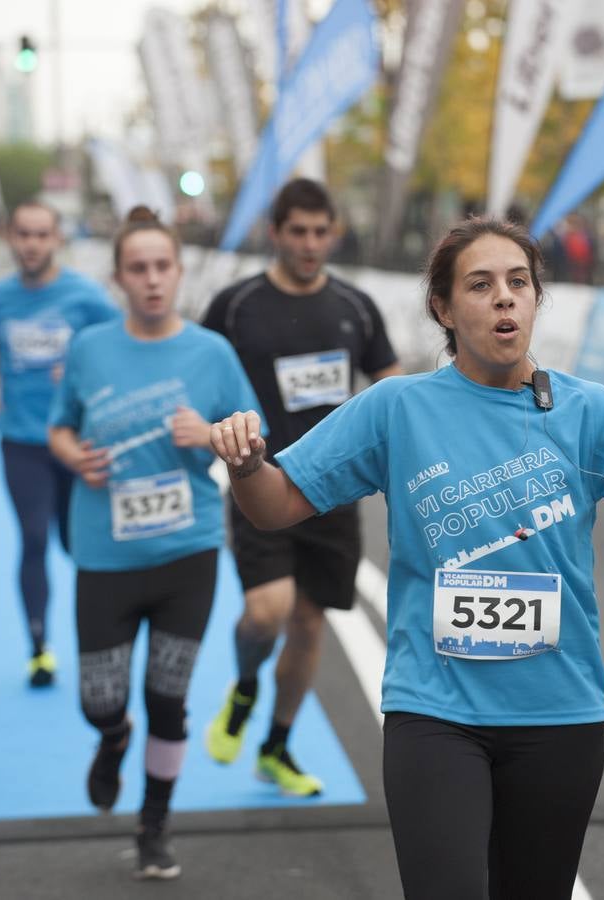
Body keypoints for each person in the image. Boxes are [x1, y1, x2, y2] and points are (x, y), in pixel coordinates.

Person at [210, 217, 604, 899]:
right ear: (444, 309)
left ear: (539, 300)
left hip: (558, 714)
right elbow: (274, 506)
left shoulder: (588, 411)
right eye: (480, 286)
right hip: (436, 713)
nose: (504, 298)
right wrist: (247, 465)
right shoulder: (399, 408)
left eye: (518, 283)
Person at [48, 207, 261, 879]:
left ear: (177, 271)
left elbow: (250, 433)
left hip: (187, 553)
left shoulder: (211, 352)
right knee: (100, 699)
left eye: (162, 266)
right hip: (105, 554)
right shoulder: (88, 349)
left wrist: (214, 435)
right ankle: (113, 739)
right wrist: (74, 457)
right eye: (137, 269)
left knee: (168, 696)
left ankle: (153, 826)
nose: (151, 280)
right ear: (117, 278)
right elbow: (59, 428)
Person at [199, 178, 401, 796]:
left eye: (321, 232)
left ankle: (276, 746)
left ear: (333, 232)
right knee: (268, 613)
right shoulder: (235, 307)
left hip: (334, 492)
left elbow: (390, 382)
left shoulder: (356, 306)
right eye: (299, 232)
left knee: (310, 625)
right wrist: (212, 431)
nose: (311, 244)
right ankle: (244, 686)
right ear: (276, 232)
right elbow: (200, 374)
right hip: (263, 482)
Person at [0, 199, 120, 687]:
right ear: (10, 238)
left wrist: (84, 371)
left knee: (78, 545)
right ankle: (38, 647)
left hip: (76, 441)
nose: (32, 243)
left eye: (42, 234)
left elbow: (118, 353)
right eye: (23, 234)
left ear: (58, 239)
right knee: (34, 537)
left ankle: (96, 642)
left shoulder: (86, 296)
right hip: (21, 440)